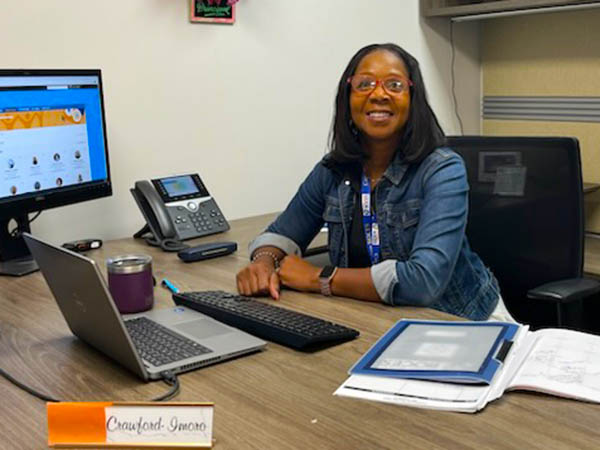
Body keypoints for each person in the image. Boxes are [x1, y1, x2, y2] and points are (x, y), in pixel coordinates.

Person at [236, 43, 514, 322]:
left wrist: (318, 278)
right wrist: (264, 262)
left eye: (394, 84)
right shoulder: (332, 170)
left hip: (459, 320)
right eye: (364, 84)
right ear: (348, 98)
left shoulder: (442, 169)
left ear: (412, 98)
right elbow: (282, 234)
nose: (378, 94)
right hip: (374, 320)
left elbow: (423, 283)